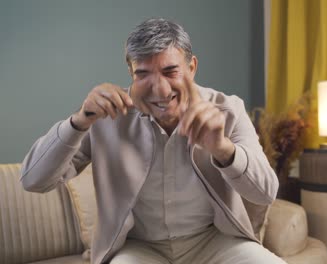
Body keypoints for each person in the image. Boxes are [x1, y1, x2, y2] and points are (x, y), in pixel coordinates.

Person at [21, 18, 283, 264]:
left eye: (170, 71)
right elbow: (33, 180)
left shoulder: (228, 109)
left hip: (214, 241)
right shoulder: (106, 116)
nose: (159, 89)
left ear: (191, 67)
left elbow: (265, 193)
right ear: (131, 72)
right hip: (139, 247)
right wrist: (78, 122)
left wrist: (223, 150)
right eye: (143, 74)